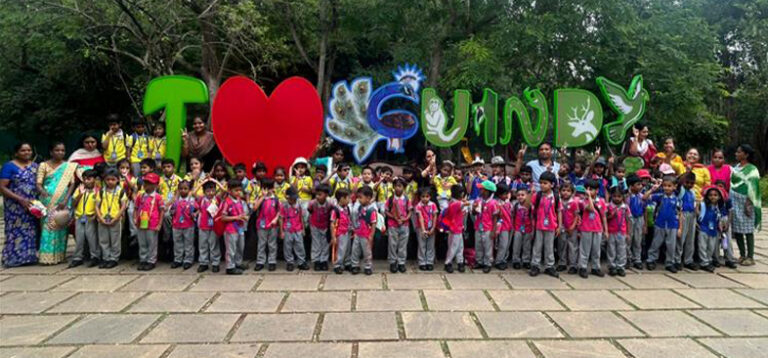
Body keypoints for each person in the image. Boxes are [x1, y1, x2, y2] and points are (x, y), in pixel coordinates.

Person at [36, 142, 77, 265]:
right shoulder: (43, 165)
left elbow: (72, 184)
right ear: (51, 152)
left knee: (60, 226)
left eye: (62, 150)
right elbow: (38, 183)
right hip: (47, 200)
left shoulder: (68, 166)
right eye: (57, 150)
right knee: (48, 227)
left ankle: (59, 256)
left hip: (63, 200)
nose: (60, 152)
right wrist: (43, 192)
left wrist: (66, 199)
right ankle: (46, 257)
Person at [1, 143, 39, 267]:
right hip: (15, 205)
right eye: (23, 150)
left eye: (29, 150)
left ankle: (29, 257)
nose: (26, 153)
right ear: (16, 153)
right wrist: (20, 199)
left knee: (31, 230)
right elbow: (2, 187)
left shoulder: (35, 166)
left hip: (32, 205)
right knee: (15, 230)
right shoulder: (9, 166)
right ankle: (13, 258)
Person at [730, 144, 762, 266]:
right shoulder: (736, 167)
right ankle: (742, 255)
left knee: (748, 230)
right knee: (737, 229)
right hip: (735, 200)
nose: (736, 154)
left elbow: (753, 187)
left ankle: (750, 256)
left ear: (746, 155)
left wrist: (749, 203)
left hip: (746, 201)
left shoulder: (752, 169)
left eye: (739, 152)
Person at [645, 175, 682, 273]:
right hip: (660, 224)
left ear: (675, 186)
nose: (666, 188)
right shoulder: (659, 196)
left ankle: (670, 262)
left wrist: (680, 228)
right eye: (664, 186)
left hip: (672, 225)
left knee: (671, 245)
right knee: (656, 242)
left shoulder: (677, 199)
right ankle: (651, 260)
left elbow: (680, 214)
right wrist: (653, 189)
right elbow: (645, 198)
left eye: (669, 186)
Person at [530, 172, 561, 277]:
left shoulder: (556, 196)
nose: (542, 185)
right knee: (537, 246)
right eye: (541, 183)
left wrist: (559, 226)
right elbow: (531, 207)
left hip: (551, 225)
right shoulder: (537, 195)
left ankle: (549, 266)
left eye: (545, 183)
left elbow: (559, 211)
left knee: (549, 247)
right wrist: (531, 193)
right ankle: (535, 265)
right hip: (539, 225)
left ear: (552, 185)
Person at [95, 169, 128, 269]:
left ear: (117, 180)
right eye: (108, 179)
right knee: (103, 240)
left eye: (113, 179)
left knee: (115, 240)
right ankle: (106, 258)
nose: (110, 181)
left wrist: (116, 218)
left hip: (115, 219)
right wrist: (100, 218)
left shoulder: (120, 191)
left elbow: (123, 206)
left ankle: (114, 258)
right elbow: (96, 205)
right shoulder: (101, 191)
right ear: (104, 180)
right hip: (103, 219)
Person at [69, 169, 100, 268]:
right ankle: (78, 257)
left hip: (91, 217)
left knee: (92, 238)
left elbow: (99, 205)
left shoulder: (98, 190)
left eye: (89, 179)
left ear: (95, 179)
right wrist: (80, 194)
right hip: (79, 217)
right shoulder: (79, 189)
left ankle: (95, 257)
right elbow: (73, 204)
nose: (86, 181)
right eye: (85, 179)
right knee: (79, 238)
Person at [134, 172, 164, 271]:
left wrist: (159, 224)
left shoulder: (158, 197)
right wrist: (135, 218)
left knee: (152, 243)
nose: (147, 185)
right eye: (145, 182)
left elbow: (162, 211)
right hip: (141, 222)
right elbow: (135, 208)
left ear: (156, 185)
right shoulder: (140, 196)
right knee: (142, 242)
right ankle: (143, 259)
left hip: (152, 223)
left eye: (150, 183)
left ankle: (151, 260)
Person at [577, 179, 608, 278]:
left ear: (597, 190)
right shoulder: (582, 201)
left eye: (592, 189)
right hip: (586, 228)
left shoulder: (601, 201)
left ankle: (595, 267)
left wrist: (606, 230)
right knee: (585, 249)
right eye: (587, 189)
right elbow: (590, 208)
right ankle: (583, 267)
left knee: (596, 249)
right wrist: (589, 197)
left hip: (598, 229)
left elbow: (603, 216)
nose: (588, 191)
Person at [220, 178, 249, 275]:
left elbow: (241, 213)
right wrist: (236, 217)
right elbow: (223, 218)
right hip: (230, 229)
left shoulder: (239, 200)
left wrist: (244, 217)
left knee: (240, 247)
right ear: (229, 190)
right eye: (236, 190)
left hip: (240, 228)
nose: (238, 192)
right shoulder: (226, 202)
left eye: (240, 190)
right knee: (231, 249)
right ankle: (230, 267)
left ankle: (238, 262)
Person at [698, 185, 726, 273]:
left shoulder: (718, 208)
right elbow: (697, 213)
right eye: (710, 195)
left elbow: (720, 219)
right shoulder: (703, 205)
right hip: (703, 228)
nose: (713, 197)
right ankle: (704, 262)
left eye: (715, 195)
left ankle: (708, 260)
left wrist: (721, 228)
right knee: (702, 246)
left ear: (719, 197)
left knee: (711, 247)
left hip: (713, 230)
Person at [169, 180, 197, 270]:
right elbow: (171, 210)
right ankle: (178, 259)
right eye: (181, 188)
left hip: (188, 225)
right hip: (176, 225)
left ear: (189, 190)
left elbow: (198, 209)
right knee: (177, 243)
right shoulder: (175, 201)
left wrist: (195, 214)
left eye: (185, 189)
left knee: (188, 243)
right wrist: (172, 211)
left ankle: (188, 260)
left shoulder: (192, 201)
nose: (183, 190)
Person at [254, 178, 280, 272]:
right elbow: (255, 207)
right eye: (265, 188)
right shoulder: (260, 197)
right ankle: (260, 262)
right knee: (261, 243)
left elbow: (279, 211)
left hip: (273, 225)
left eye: (269, 188)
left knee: (272, 244)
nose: (268, 190)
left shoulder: (275, 199)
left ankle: (272, 261)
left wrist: (276, 219)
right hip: (261, 225)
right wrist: (262, 197)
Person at [472, 180, 498, 273]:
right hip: (478, 226)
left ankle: (487, 262)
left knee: (487, 246)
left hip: (488, 228)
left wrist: (493, 230)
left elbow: (495, 217)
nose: (480, 190)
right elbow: (474, 213)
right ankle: (479, 261)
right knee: (478, 245)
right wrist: (474, 208)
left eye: (482, 189)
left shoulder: (493, 203)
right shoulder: (478, 200)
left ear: (487, 191)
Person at [280, 187, 308, 271]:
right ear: (287, 197)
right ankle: (290, 262)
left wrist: (303, 228)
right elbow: (281, 218)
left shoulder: (299, 205)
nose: (294, 200)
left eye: (295, 198)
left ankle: (301, 262)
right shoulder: (284, 206)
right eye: (292, 199)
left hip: (298, 229)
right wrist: (281, 231)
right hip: (287, 229)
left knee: (300, 246)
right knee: (287, 247)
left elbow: (301, 217)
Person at [386, 178, 411, 273]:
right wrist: (394, 217)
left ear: (404, 188)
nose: (398, 188)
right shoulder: (391, 199)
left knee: (403, 245)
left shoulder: (407, 199)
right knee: (392, 244)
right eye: (396, 186)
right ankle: (393, 262)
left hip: (404, 225)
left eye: (400, 186)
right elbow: (386, 211)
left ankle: (401, 262)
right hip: (393, 225)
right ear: (393, 187)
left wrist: (405, 219)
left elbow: (409, 212)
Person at [441, 185, 467, 273]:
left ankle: (460, 262)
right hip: (454, 228)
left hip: (459, 227)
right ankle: (448, 262)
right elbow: (461, 205)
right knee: (453, 247)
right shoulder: (454, 203)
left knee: (460, 247)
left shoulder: (456, 202)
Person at [351, 186, 377, 275]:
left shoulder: (371, 210)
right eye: (358, 197)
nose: (359, 200)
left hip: (366, 234)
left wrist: (371, 236)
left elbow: (373, 223)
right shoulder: (359, 208)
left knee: (367, 251)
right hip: (358, 233)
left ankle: (368, 266)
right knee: (355, 250)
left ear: (368, 198)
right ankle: (355, 265)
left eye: (360, 198)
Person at [196, 181, 221, 273]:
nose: (210, 193)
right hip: (203, 226)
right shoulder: (201, 199)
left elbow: (224, 191)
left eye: (213, 190)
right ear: (204, 191)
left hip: (214, 226)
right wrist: (204, 181)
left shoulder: (217, 199)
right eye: (208, 191)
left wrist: (214, 181)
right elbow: (193, 192)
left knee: (214, 245)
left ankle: (215, 263)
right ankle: (203, 263)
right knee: (203, 245)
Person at [606, 187, 630, 277]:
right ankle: (612, 266)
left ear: (622, 197)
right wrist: (611, 215)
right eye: (614, 196)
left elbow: (628, 220)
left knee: (621, 249)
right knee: (611, 249)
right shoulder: (609, 206)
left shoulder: (625, 207)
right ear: (611, 196)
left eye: (619, 196)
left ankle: (621, 266)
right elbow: (605, 218)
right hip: (611, 231)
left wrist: (628, 233)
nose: (617, 198)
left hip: (622, 231)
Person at [308, 184, 332, 271]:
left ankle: (324, 260)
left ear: (326, 195)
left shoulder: (330, 204)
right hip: (314, 225)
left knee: (325, 244)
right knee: (316, 243)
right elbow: (310, 211)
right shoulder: (312, 203)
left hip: (325, 226)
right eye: (316, 194)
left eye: (320, 195)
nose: (317, 197)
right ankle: (316, 261)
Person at [626, 174, 647, 270]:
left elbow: (645, 210)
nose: (641, 186)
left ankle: (637, 259)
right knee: (628, 239)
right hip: (630, 219)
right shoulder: (627, 197)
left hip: (639, 218)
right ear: (631, 186)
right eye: (638, 184)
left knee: (638, 240)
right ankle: (627, 258)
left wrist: (645, 224)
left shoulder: (642, 196)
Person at [558, 182, 580, 273]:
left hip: (572, 227)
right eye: (563, 190)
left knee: (572, 246)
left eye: (568, 191)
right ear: (560, 192)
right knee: (561, 245)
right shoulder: (558, 202)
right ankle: (562, 263)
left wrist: (573, 226)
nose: (566, 192)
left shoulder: (574, 202)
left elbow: (576, 215)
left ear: (572, 192)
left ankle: (573, 265)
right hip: (562, 227)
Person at [677, 172, 698, 271]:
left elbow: (695, 203)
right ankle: (677, 259)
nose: (689, 185)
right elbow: (679, 183)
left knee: (690, 239)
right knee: (681, 238)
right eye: (687, 182)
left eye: (691, 183)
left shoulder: (693, 192)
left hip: (692, 215)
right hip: (683, 214)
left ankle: (688, 260)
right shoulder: (681, 190)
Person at [414, 187, 438, 271]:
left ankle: (429, 262)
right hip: (421, 228)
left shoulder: (433, 205)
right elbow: (420, 218)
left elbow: (435, 216)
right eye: (423, 196)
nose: (425, 198)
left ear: (430, 197)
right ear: (420, 197)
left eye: (427, 196)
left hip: (431, 227)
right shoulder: (418, 206)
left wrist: (433, 228)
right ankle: (422, 262)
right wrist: (423, 230)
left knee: (430, 245)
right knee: (422, 245)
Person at [331, 188, 353, 274]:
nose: (350, 200)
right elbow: (332, 223)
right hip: (339, 233)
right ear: (342, 199)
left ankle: (347, 262)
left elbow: (348, 218)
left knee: (347, 248)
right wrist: (333, 236)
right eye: (348, 198)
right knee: (340, 249)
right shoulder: (335, 210)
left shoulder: (347, 208)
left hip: (347, 231)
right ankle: (337, 265)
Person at [510, 188, 533, 270]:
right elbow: (513, 217)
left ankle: (526, 260)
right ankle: (516, 260)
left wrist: (532, 229)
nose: (520, 197)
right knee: (516, 245)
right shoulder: (515, 206)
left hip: (528, 228)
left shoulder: (530, 206)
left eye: (522, 195)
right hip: (517, 228)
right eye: (518, 195)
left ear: (527, 196)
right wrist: (512, 228)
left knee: (527, 245)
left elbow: (532, 218)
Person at [493, 184, 513, 270]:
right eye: (505, 194)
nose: (507, 195)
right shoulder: (496, 203)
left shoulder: (508, 202)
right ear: (499, 194)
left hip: (509, 225)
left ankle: (504, 259)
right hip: (502, 227)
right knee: (502, 245)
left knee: (507, 244)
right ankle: (498, 261)